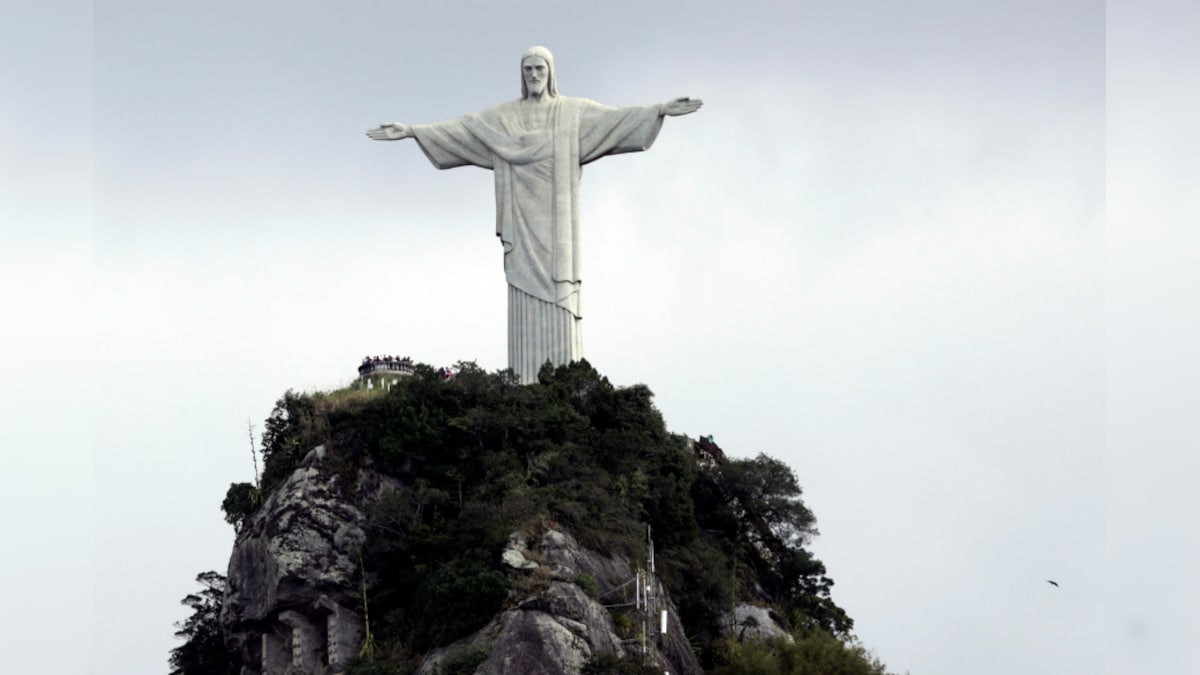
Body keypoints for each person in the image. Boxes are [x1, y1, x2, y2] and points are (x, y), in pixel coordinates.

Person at [367, 46, 701, 383]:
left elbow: (615, 119)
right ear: (521, 75)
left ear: (551, 72)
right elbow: (464, 129)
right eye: (528, 70)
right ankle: (524, 386)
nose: (534, 76)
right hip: (521, 226)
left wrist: (659, 110)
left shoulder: (572, 112)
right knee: (522, 294)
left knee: (561, 296)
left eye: (540, 69)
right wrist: (413, 131)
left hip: (559, 232)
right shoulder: (504, 118)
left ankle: (560, 389)